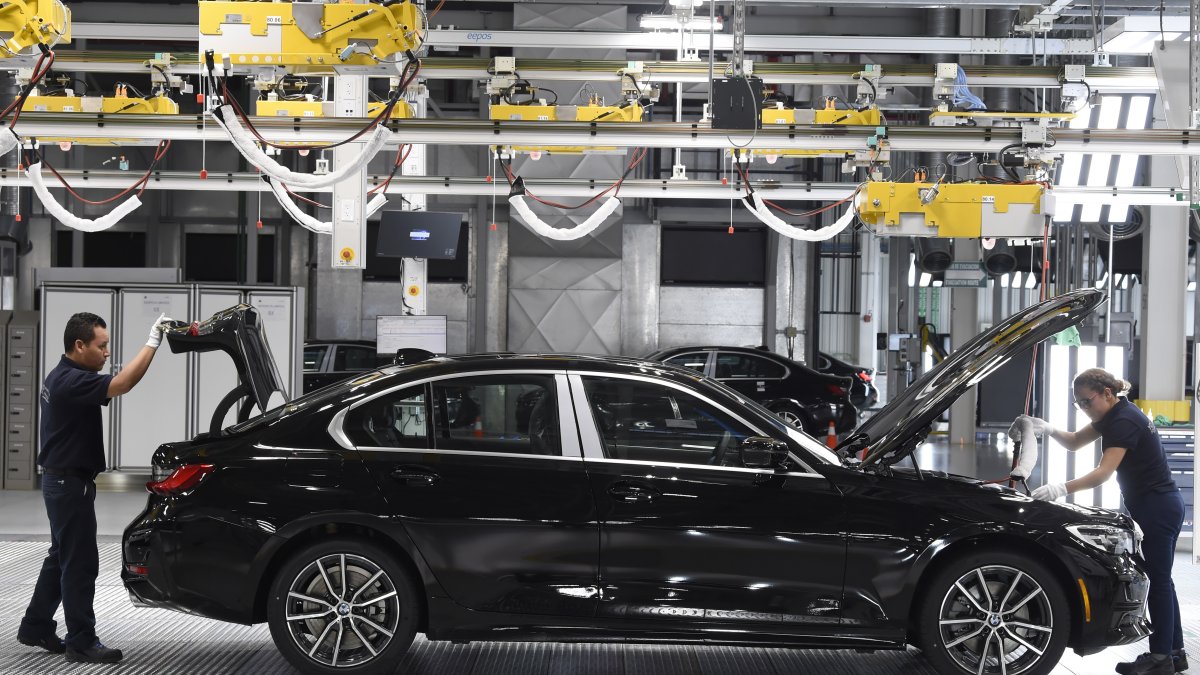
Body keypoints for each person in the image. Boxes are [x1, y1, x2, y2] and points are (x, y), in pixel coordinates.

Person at [16, 311, 170, 664]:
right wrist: (152, 342)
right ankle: (81, 640)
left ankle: (35, 625)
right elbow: (123, 384)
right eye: (102, 346)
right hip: (69, 485)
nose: (106, 353)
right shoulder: (69, 381)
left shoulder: (64, 375)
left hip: (62, 481)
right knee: (80, 563)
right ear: (79, 345)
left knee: (61, 557)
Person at [1019, 368, 1186, 675]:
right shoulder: (1114, 414)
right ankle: (1174, 653)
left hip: (1156, 508)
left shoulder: (1123, 421)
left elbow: (1103, 473)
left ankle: (1161, 658)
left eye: (1086, 402)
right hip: (1161, 505)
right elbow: (1073, 442)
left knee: (1159, 582)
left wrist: (1060, 489)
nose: (1084, 409)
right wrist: (1048, 429)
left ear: (1107, 394)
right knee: (1164, 580)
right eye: (1078, 405)